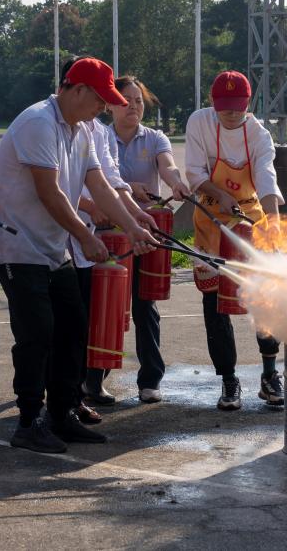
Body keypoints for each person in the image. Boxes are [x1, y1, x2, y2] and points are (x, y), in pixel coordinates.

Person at [0, 57, 156, 453]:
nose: (103, 108)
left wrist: (132, 226)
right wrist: (86, 236)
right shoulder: (37, 122)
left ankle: (61, 414)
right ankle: (28, 422)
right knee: (37, 332)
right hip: (16, 246)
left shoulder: (82, 129)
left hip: (51, 247)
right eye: (99, 100)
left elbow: (99, 185)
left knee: (74, 328)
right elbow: (51, 192)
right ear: (77, 90)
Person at [84, 76, 191, 405]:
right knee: (106, 305)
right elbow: (100, 180)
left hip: (146, 233)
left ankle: (150, 379)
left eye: (139, 101)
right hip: (108, 232)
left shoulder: (155, 138)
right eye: (126, 100)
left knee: (145, 306)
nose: (133, 106)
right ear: (111, 105)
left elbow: (168, 166)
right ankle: (94, 379)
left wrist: (176, 182)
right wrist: (131, 187)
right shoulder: (99, 136)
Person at [185, 71, 284, 411]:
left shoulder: (258, 134)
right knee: (215, 303)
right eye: (224, 107)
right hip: (210, 222)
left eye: (237, 107)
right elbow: (195, 174)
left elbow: (266, 176)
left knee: (263, 297)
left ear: (248, 103)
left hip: (248, 220)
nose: (230, 113)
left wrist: (272, 223)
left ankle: (270, 374)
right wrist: (218, 196)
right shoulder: (199, 123)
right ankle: (229, 379)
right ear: (213, 104)